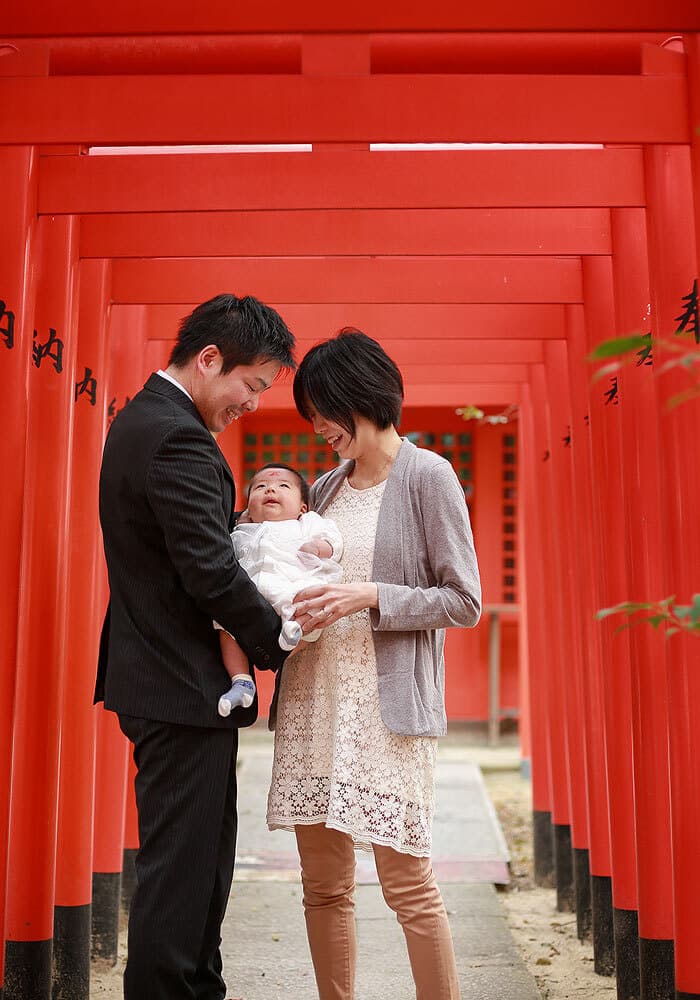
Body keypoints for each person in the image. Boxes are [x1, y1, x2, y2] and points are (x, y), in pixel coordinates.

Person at [266, 329, 482, 1000]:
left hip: (383, 716)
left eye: (324, 411)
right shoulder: (326, 488)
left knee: (409, 887)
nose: (318, 428)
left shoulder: (428, 476)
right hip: (313, 701)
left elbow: (465, 599)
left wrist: (372, 596)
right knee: (323, 890)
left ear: (364, 397)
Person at [95, 293, 296, 1000]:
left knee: (201, 865)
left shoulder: (147, 421)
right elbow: (208, 568)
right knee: (181, 874)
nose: (251, 403)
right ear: (210, 358)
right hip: (177, 684)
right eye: (251, 385)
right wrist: (281, 643)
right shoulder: (174, 435)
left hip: (174, 682)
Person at [216, 462, 343, 717]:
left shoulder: (305, 523)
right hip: (250, 596)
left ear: (302, 507)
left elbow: (334, 540)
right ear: (248, 507)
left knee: (311, 611)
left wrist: (319, 547)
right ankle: (241, 681)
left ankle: (288, 640)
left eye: (282, 486)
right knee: (223, 625)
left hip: (291, 587)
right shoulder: (242, 531)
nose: (270, 490)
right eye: (260, 487)